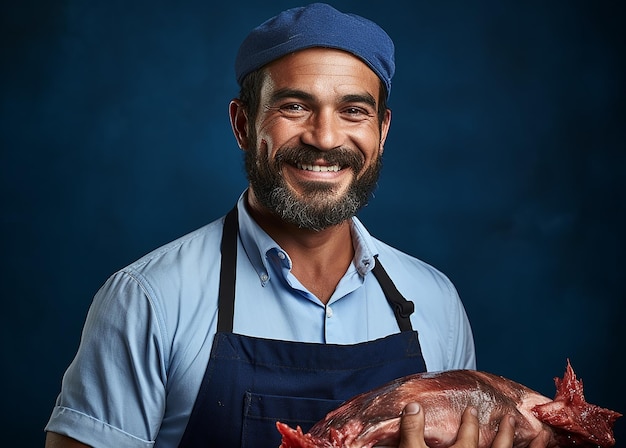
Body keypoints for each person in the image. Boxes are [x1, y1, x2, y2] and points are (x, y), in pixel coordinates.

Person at [44, 3, 549, 448]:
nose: (326, 138)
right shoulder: (149, 298)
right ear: (244, 125)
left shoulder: (435, 301)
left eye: (354, 110)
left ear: (382, 130)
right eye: (295, 106)